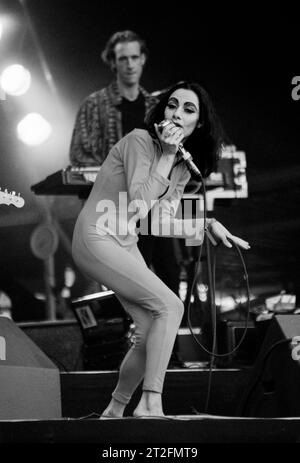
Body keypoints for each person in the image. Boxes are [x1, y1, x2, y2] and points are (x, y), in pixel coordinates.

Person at [71, 80, 250, 417]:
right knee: (170, 305)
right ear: (162, 111)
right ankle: (151, 402)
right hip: (97, 234)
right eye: (172, 105)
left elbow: (158, 221)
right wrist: (167, 155)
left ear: (199, 124)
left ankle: (115, 408)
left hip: (124, 242)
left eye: (188, 109)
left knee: (150, 328)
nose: (177, 113)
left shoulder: (180, 164)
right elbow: (139, 204)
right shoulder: (139, 141)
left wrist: (204, 224)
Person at [69, 30, 186, 366]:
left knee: (168, 268)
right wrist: (121, 165)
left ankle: (169, 353)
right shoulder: (94, 105)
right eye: (123, 58)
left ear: (143, 59)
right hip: (116, 210)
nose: (130, 64)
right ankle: (118, 353)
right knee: (125, 283)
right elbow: (78, 154)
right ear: (113, 63)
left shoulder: (157, 106)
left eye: (136, 57)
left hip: (152, 202)